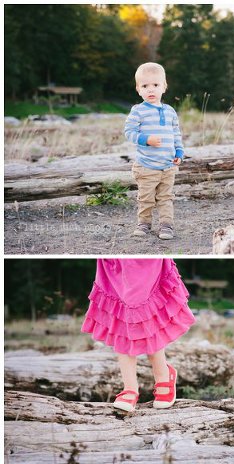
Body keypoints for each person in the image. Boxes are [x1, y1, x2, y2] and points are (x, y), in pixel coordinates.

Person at [81, 259, 196, 412]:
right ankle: (130, 386)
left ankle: (162, 374)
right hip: (115, 262)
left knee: (140, 307)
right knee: (121, 311)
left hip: (144, 263)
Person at [124, 62, 184, 241]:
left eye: (155, 85)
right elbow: (129, 132)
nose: (151, 90)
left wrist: (179, 153)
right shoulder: (138, 111)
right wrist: (146, 139)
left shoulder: (170, 111)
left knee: (165, 198)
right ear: (138, 89)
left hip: (167, 166)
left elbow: (175, 134)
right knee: (146, 198)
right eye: (145, 86)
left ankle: (166, 225)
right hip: (146, 166)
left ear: (164, 87)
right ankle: (144, 223)